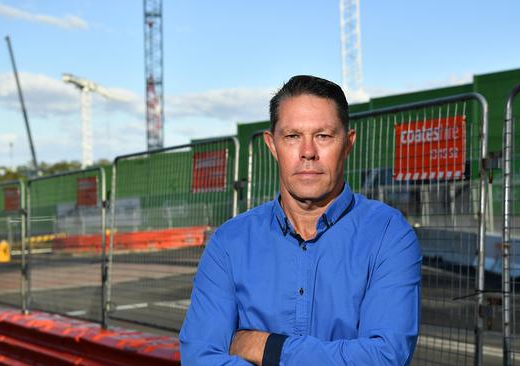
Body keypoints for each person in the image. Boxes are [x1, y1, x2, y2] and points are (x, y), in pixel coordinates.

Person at [180, 75, 422, 365]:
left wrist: (268, 348)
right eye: (293, 136)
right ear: (272, 145)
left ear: (348, 143)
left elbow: (384, 357)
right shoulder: (229, 243)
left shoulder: (388, 235)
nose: (308, 152)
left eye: (323, 136)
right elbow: (200, 357)